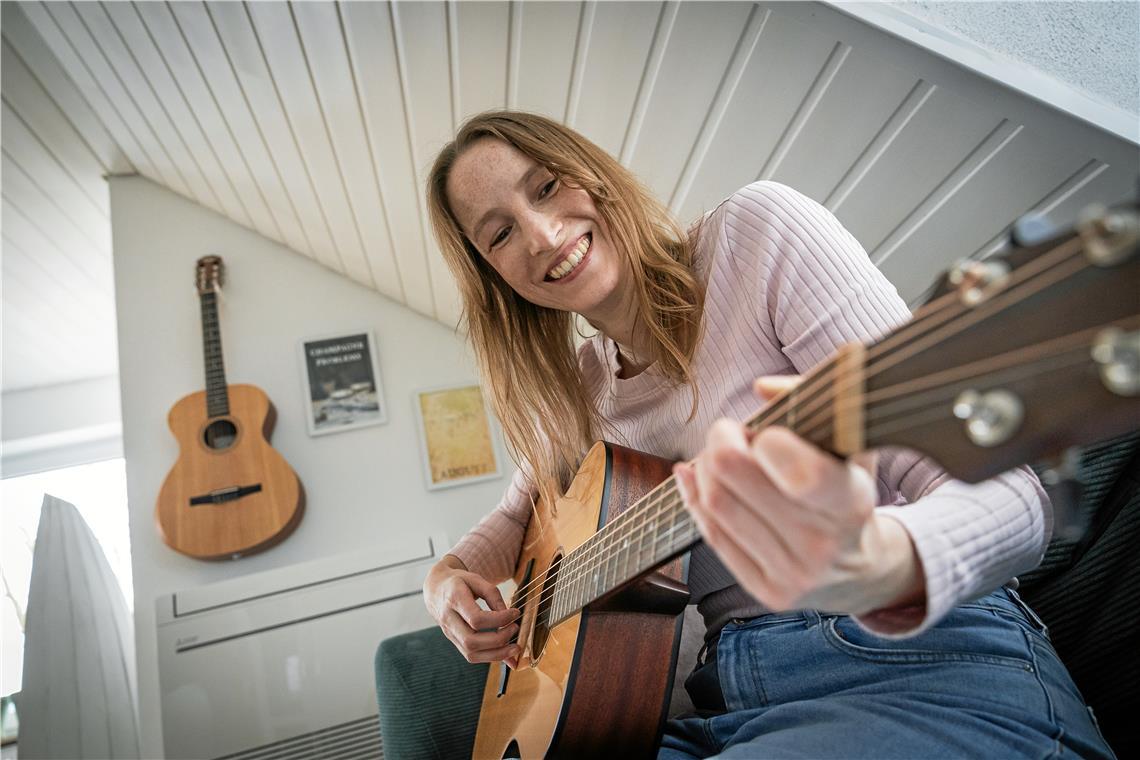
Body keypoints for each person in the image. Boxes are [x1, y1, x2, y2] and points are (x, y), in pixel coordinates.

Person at [421, 110, 1113, 758]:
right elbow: (515, 518)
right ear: (493, 279)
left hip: (914, 663)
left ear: (592, 174)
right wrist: (444, 581)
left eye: (546, 186)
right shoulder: (580, 392)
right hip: (729, 694)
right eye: (500, 234)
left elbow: (1018, 500)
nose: (542, 235)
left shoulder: (756, 239)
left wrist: (880, 561)